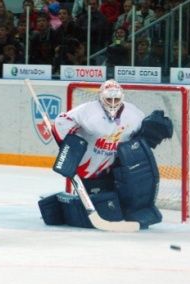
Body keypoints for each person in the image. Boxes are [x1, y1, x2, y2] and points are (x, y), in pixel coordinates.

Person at [39, 79, 174, 230]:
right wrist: (69, 147)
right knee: (106, 210)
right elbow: (61, 124)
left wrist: (152, 131)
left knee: (125, 206)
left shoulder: (134, 114)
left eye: (116, 99)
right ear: (101, 98)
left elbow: (139, 141)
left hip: (115, 168)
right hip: (89, 170)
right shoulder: (86, 111)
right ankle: (61, 207)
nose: (112, 103)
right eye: (109, 99)